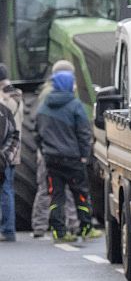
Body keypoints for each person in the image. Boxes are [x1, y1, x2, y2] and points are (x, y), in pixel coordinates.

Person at [36, 69, 99, 242]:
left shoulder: (43, 106)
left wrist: (45, 151)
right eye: (72, 82)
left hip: (51, 159)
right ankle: (86, 228)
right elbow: (84, 133)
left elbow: (37, 134)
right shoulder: (75, 105)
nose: (74, 86)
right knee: (80, 194)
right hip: (73, 159)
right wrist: (84, 155)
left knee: (56, 196)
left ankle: (59, 232)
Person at [31, 59, 79, 237]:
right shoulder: (60, 93)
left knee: (47, 188)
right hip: (58, 149)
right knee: (63, 188)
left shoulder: (47, 92)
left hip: (48, 149)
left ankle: (40, 225)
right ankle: (71, 224)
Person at [0, 64, 21, 242]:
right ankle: (8, 228)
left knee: (5, 189)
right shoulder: (17, 95)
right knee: (8, 189)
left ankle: (7, 229)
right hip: (14, 150)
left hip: (5, 150)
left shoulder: (5, 99)